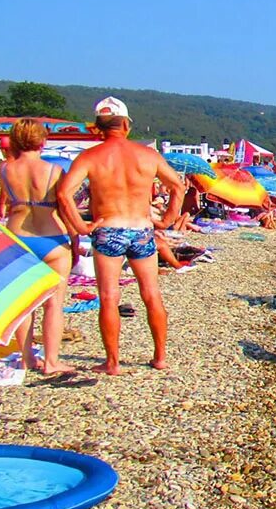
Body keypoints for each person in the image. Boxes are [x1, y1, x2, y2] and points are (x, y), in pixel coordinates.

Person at [57, 98, 185, 375]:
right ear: (126, 124)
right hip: (141, 229)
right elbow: (177, 186)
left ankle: (112, 362)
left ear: (97, 128)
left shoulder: (90, 157)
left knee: (108, 296)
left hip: (109, 228)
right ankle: (160, 357)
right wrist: (167, 220)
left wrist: (81, 226)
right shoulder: (147, 155)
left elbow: (63, 193)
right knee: (151, 294)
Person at [0, 119, 76, 375]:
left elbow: (4, 205)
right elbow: (65, 209)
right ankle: (52, 362)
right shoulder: (54, 171)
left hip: (18, 238)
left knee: (25, 303)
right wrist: (75, 240)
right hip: (51, 237)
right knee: (54, 304)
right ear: (42, 140)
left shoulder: (5, 171)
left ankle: (27, 358)